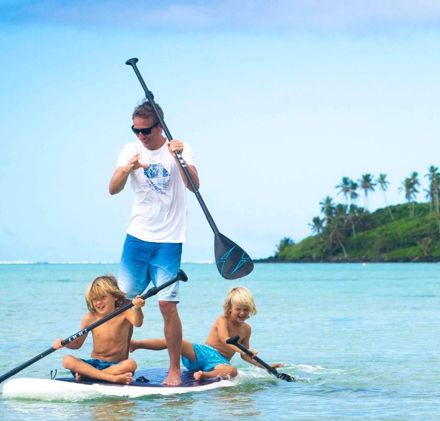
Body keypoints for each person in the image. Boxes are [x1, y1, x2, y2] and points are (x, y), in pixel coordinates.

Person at [108, 99, 199, 386]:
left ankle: (174, 370)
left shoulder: (179, 147)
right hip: (137, 237)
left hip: (169, 240)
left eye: (145, 131)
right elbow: (113, 188)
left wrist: (179, 158)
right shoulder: (130, 149)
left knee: (167, 306)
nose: (140, 136)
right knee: (122, 305)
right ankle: (119, 366)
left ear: (159, 126)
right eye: (135, 130)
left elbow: (194, 186)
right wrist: (127, 169)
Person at [131, 286, 283, 380]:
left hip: (219, 363)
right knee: (176, 341)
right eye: (238, 309)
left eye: (246, 309)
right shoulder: (221, 320)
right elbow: (226, 340)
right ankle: (137, 344)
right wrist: (246, 350)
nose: (242, 313)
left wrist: (266, 367)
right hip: (203, 353)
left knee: (232, 371)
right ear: (230, 308)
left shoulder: (246, 329)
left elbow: (245, 356)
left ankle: (204, 375)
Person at [53, 275, 145, 384]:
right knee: (67, 360)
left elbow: (138, 323)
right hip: (94, 364)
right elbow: (77, 344)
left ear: (115, 296)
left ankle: (89, 376)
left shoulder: (124, 312)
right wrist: (64, 343)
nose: (98, 303)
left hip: (116, 365)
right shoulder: (90, 317)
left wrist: (138, 309)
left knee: (131, 364)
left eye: (102, 297)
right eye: (94, 299)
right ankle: (110, 378)